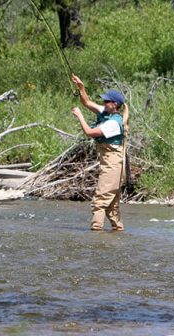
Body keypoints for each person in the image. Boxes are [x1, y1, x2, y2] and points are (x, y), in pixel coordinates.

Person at [70, 74, 126, 232]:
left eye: (107, 101)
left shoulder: (114, 123)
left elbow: (89, 132)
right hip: (110, 163)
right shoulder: (107, 112)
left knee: (100, 201)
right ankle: (118, 232)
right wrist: (81, 87)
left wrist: (80, 116)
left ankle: (96, 234)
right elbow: (86, 102)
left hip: (113, 165)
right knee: (112, 205)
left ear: (114, 105)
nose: (103, 103)